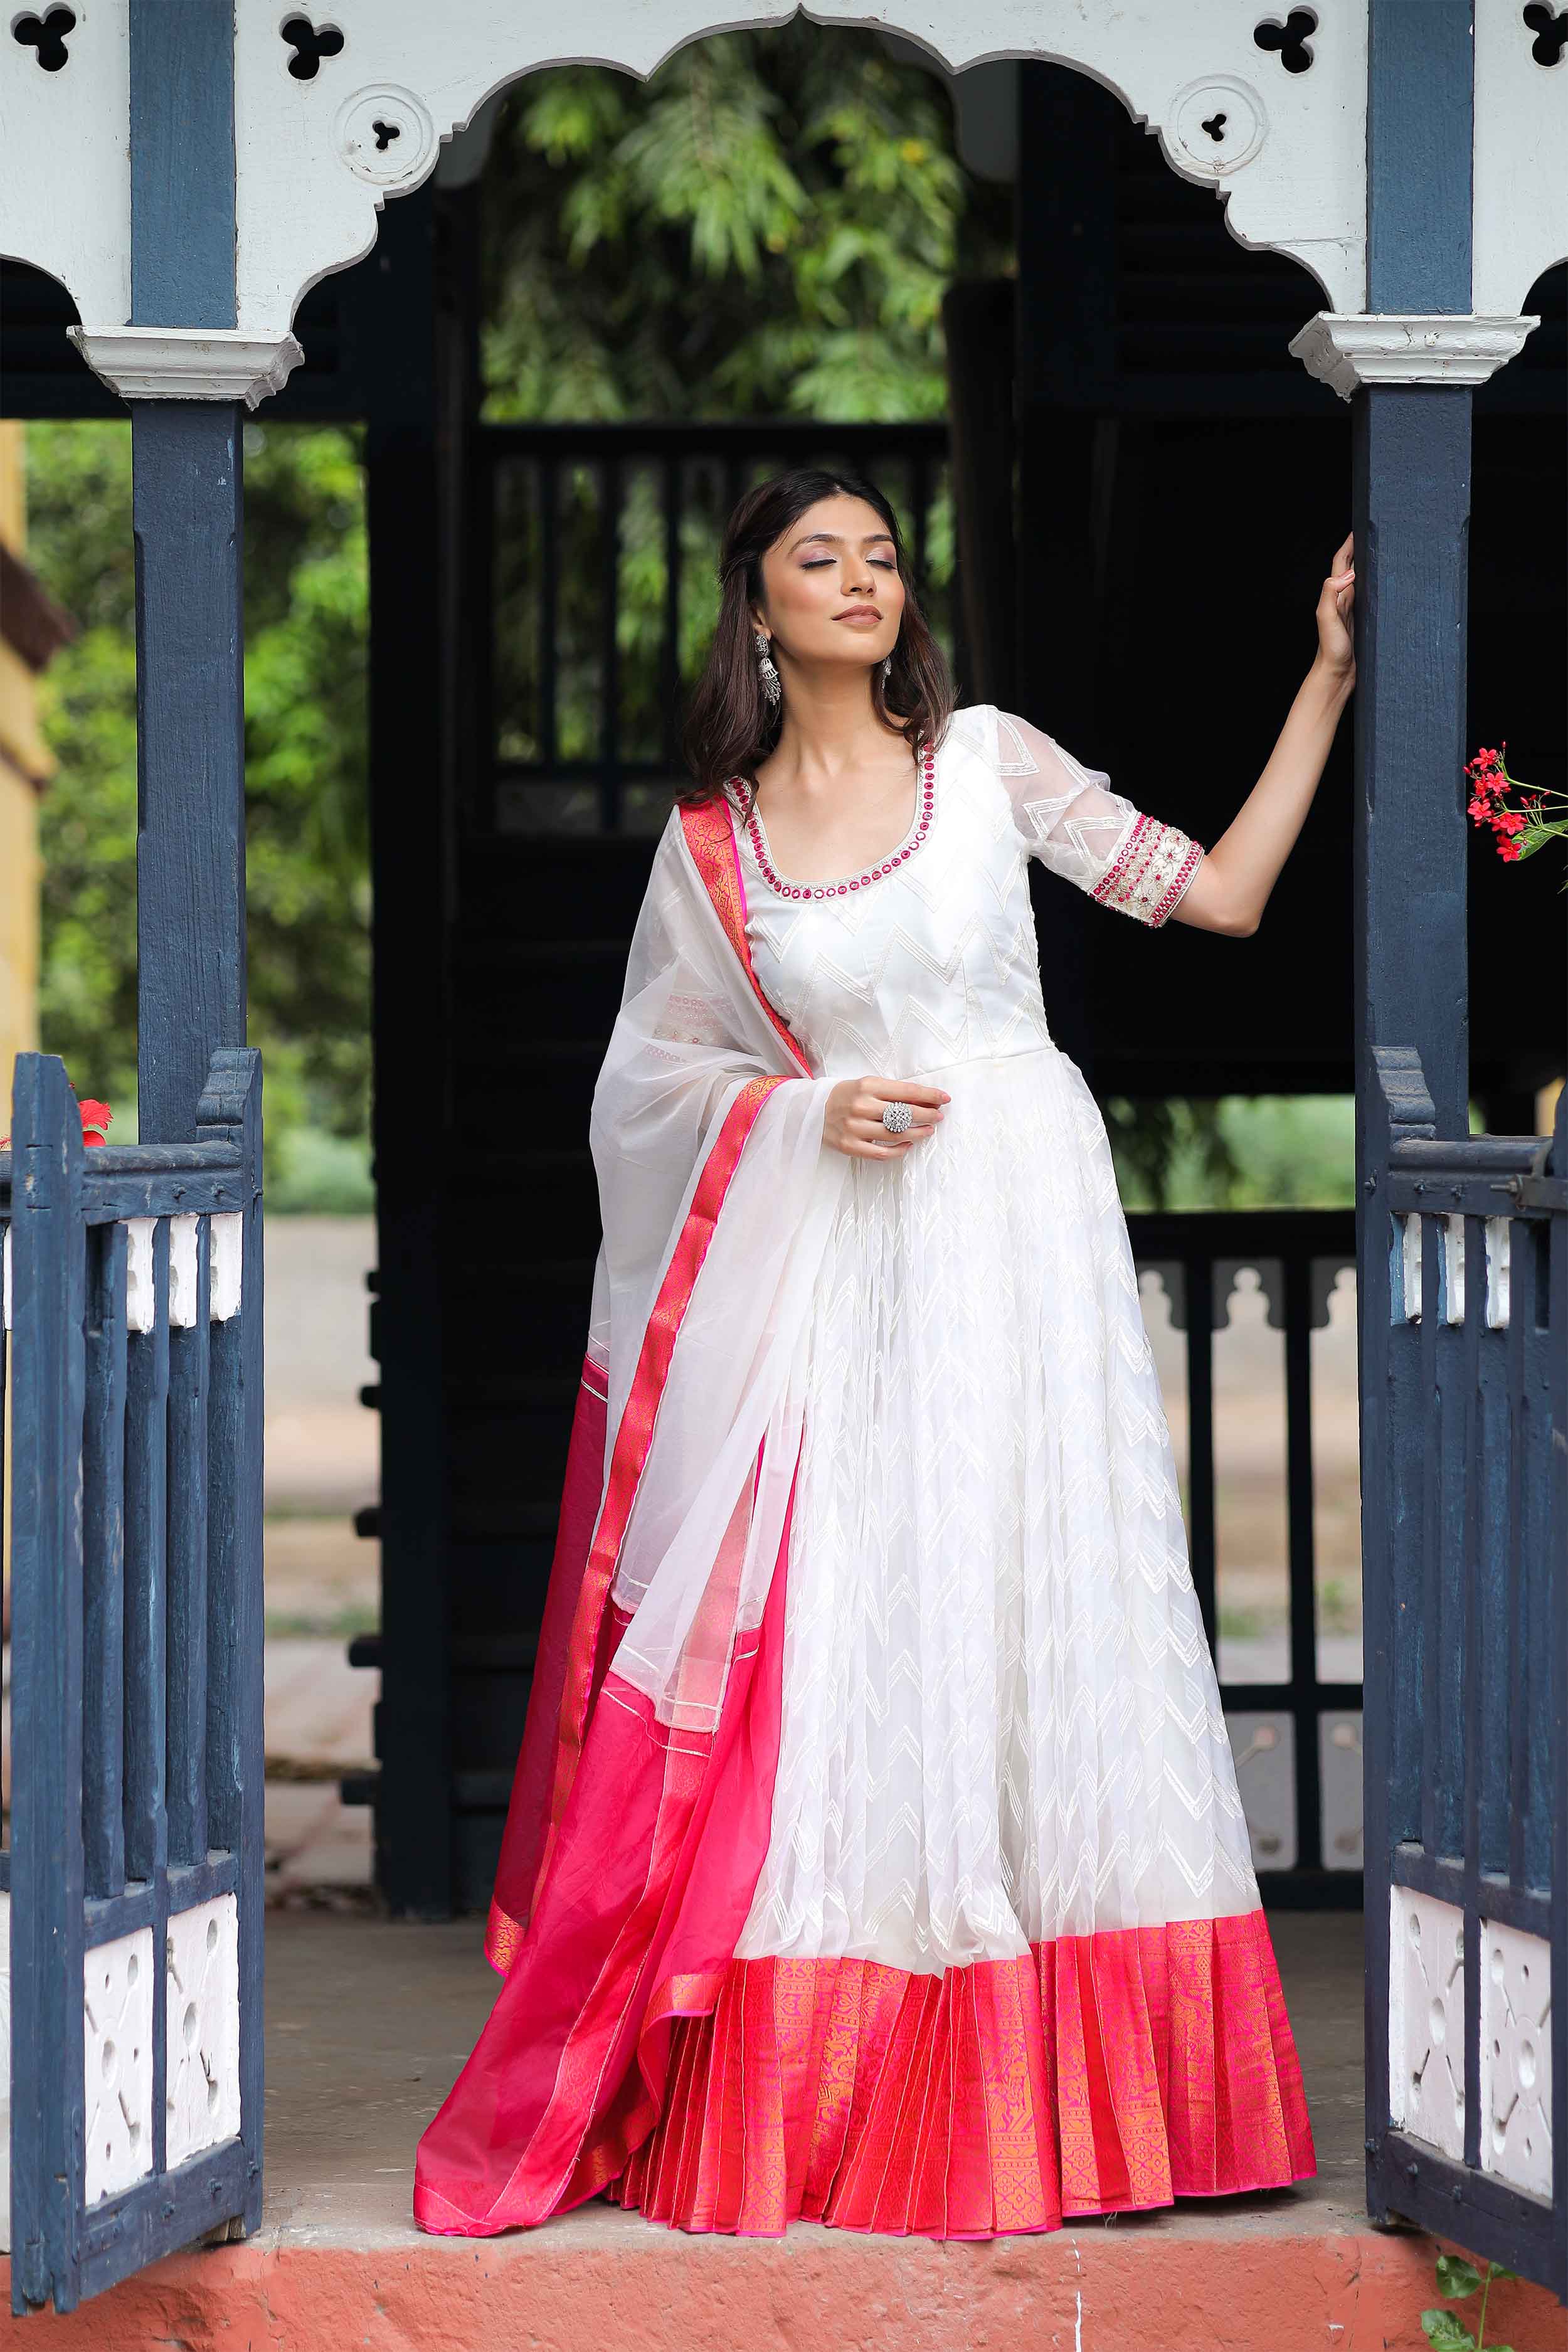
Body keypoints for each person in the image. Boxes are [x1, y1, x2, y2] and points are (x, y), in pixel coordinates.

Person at [414, 466, 1355, 2240]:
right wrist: (799, 1109)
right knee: (870, 1626)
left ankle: (1107, 2101)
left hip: (1023, 1235)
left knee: (1049, 1606)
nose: (860, 580)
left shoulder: (987, 763)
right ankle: (867, 2093)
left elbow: (1220, 898)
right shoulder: (715, 850)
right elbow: (647, 1085)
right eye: (815, 561)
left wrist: (1323, 678)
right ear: (756, 612)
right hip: (843, 1271)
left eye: (880, 556)